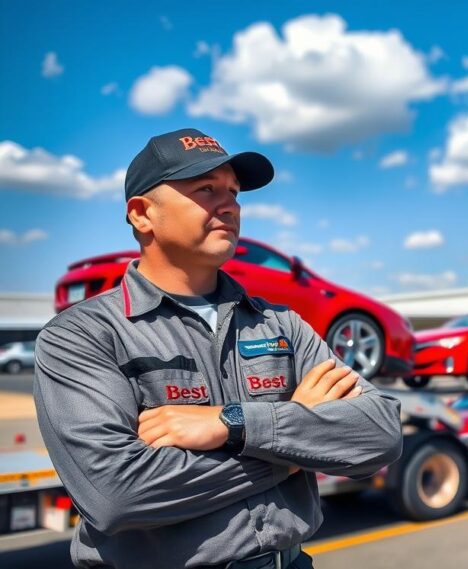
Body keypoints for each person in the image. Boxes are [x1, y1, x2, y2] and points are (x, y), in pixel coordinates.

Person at [34, 128, 403, 568]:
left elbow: (380, 434)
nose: (228, 205)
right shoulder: (83, 335)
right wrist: (288, 455)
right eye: (205, 189)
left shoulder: (282, 324)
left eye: (233, 191)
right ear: (141, 214)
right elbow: (116, 495)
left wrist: (234, 424)